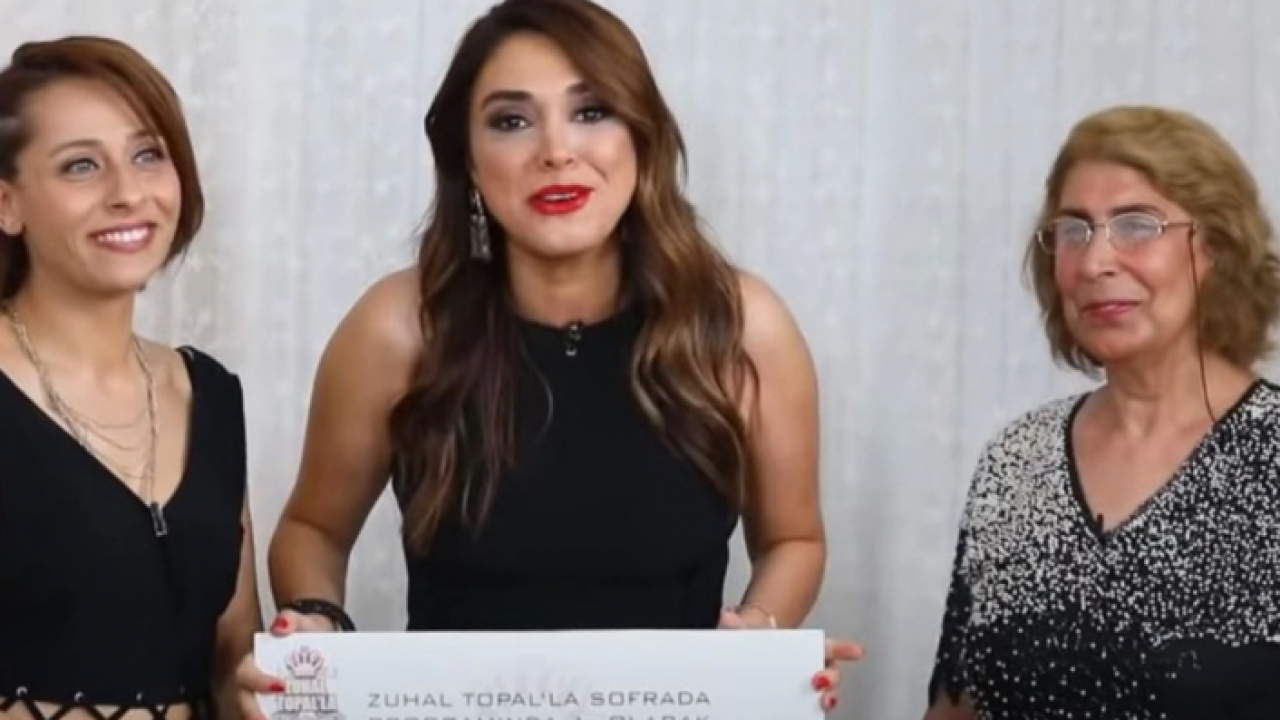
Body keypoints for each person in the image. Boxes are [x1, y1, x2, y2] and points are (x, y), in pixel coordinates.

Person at [236, 0, 858, 714]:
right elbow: (314, 530)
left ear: (643, 137)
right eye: (511, 120)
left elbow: (793, 539)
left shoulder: (743, 327)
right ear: (467, 159)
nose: (557, 151)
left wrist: (758, 636)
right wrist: (318, 623)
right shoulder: (396, 329)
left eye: (591, 111)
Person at [924, 105, 1280, 719]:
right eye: (1074, 230)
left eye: (1137, 224)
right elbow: (958, 706)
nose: (1094, 262)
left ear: (1217, 249)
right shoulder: (1019, 461)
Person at [0, 36, 260, 720]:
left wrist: (271, 684)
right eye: (81, 165)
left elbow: (232, 652)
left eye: (148, 155)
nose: (128, 192)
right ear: (7, 204)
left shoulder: (211, 395)